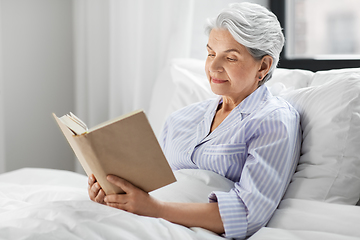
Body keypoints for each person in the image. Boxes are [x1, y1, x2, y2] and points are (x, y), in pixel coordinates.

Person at [88, 2, 301, 239]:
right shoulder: (181, 119)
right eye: (210, 53)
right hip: (145, 219)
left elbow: (247, 214)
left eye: (230, 58)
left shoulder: (273, 120)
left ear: (263, 66)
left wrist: (154, 209)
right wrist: (114, 193)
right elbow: (152, 187)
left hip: (176, 226)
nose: (213, 67)